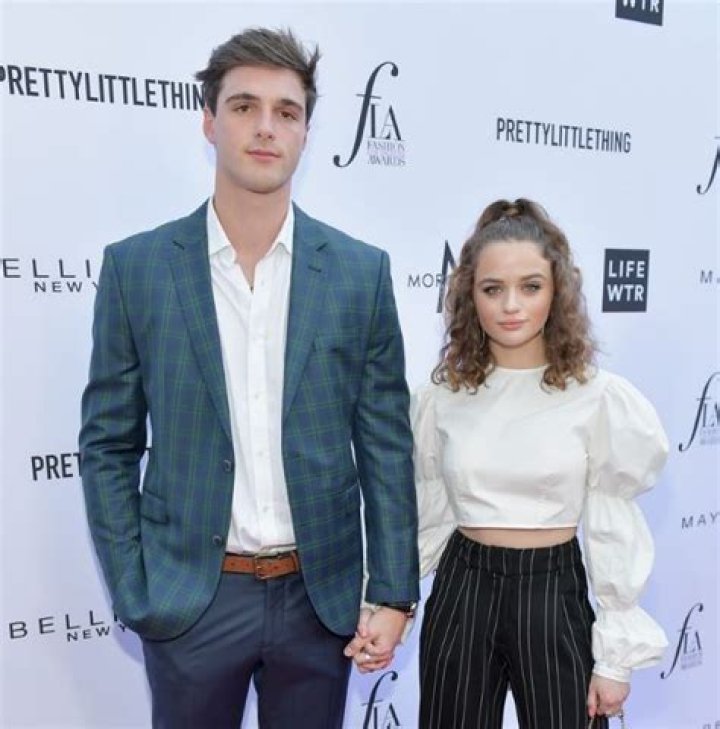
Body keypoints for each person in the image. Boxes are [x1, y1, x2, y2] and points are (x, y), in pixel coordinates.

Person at [79, 27, 419, 729]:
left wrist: (392, 591)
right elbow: (108, 444)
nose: (266, 127)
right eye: (243, 107)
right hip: (191, 600)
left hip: (320, 601)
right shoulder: (137, 269)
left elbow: (386, 447)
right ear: (209, 121)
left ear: (305, 132)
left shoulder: (360, 274)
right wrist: (135, 588)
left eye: (286, 112)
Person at [412, 198, 668, 729]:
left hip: (554, 590)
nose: (511, 305)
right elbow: (428, 510)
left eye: (530, 286)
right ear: (470, 296)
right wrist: (386, 598)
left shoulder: (597, 397)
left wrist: (615, 656)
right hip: (462, 588)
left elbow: (611, 524)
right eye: (492, 289)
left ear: (557, 291)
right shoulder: (443, 397)